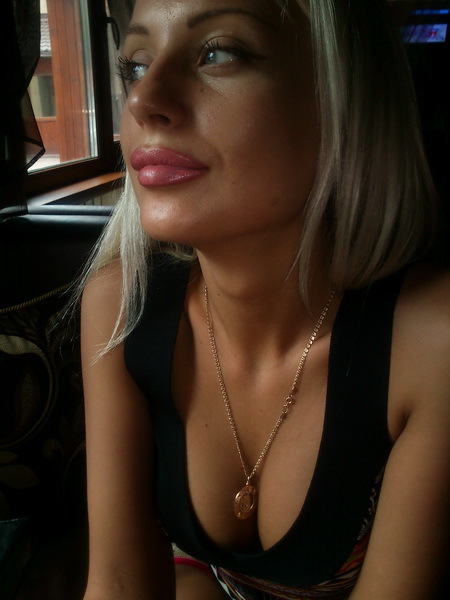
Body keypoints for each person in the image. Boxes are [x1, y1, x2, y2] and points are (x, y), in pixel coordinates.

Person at [79, 0, 450, 598]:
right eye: (136, 64)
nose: (144, 100)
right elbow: (118, 581)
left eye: (218, 53)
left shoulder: (433, 340)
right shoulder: (121, 303)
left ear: (343, 94)